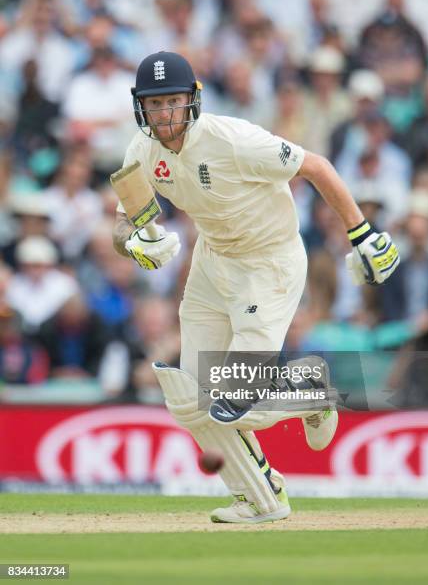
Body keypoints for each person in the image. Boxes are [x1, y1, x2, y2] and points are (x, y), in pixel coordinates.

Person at [112, 51, 399, 524]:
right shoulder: (141, 151)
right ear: (141, 106)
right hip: (211, 261)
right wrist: (137, 243)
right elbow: (124, 223)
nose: (164, 114)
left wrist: (361, 233)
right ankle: (261, 498)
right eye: (155, 103)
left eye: (174, 102)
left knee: (235, 399)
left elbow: (317, 166)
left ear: (193, 100)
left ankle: (313, 389)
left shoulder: (234, 140)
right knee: (191, 398)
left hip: (269, 263)